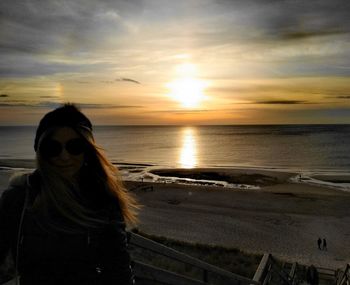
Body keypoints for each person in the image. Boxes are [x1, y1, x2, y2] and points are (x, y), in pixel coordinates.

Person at [0, 104, 139, 284]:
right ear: (41, 151)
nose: (64, 156)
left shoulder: (102, 198)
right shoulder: (18, 198)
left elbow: (117, 267)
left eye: (75, 146)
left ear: (87, 151)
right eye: (53, 147)